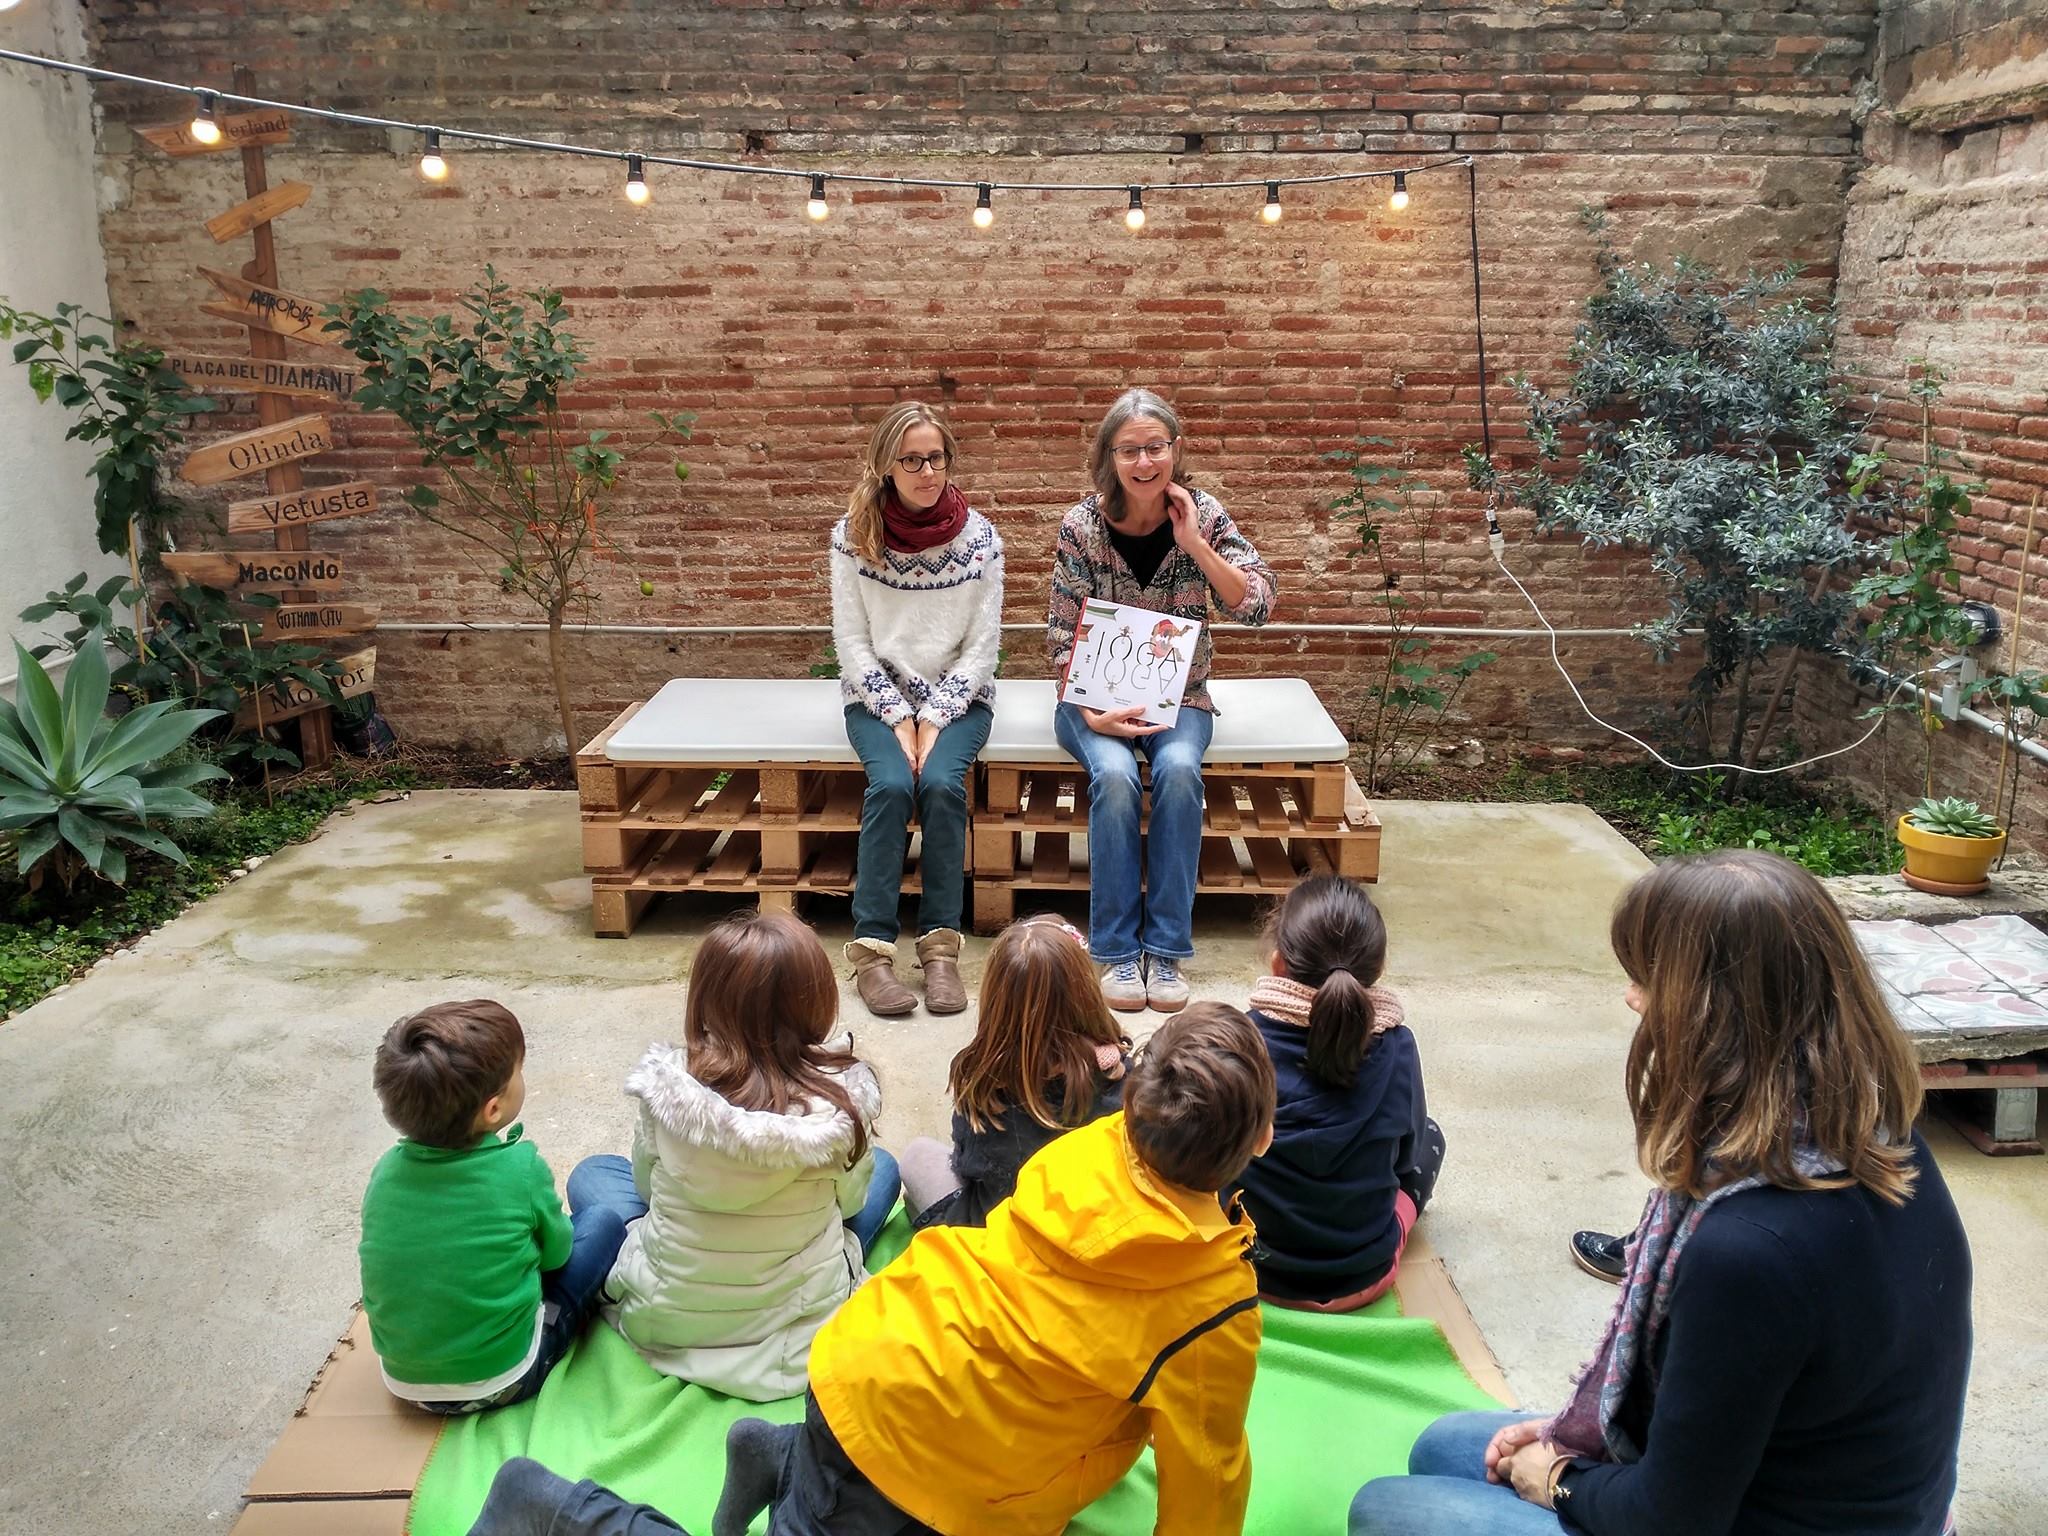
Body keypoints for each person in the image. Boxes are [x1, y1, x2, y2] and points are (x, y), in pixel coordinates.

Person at [1349, 850, 1973, 1536]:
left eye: (1650, 979)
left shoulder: (1750, 1251)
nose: (1633, 998)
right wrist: (1572, 1439)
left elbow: (1674, 1519)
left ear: (1713, 1014)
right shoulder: (1880, 1135)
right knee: (1442, 1446)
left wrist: (1560, 1480)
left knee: (1384, 1508)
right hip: (1848, 1500)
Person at [711, 1003, 1276, 1536]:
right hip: (911, 1437)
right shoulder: (1214, 1300)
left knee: (839, 1469)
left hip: (880, 1341)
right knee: (848, 1499)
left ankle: (783, 1454)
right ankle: (794, 1473)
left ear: (1131, 1105)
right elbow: (1209, 1473)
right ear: (1263, 1137)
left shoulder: (1094, 1143)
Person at [584, 908, 901, 1403]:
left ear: (707, 998)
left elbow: (646, 1191)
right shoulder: (840, 1105)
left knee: (594, 1175)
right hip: (794, 1340)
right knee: (884, 1171)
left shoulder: (669, 1089)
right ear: (815, 1000)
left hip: (670, 1321)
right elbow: (853, 1205)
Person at [1048, 387, 1275, 1014]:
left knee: (1177, 770)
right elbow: (1059, 634)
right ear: (1109, 457)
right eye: (1129, 451)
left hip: (1181, 700)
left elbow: (1256, 605)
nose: (1144, 463)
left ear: (1175, 449)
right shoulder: (1081, 526)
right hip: (1091, 700)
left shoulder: (1203, 511)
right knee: (1117, 775)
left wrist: (1195, 543)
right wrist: (1092, 713)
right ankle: (1118, 950)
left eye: (1156, 447)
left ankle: (1167, 948)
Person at [358, 1000, 640, 1414]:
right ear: (493, 1109)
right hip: (506, 1377)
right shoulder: (520, 1169)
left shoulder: (384, 1172)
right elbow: (557, 1255)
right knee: (601, 1223)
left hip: (406, 1383)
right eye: (517, 1072)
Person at [831, 400, 1003, 1017]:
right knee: (890, 785)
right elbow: (851, 641)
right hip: (876, 699)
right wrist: (897, 714)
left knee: (939, 784)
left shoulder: (980, 540)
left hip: (959, 699)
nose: (927, 471)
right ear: (886, 466)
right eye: (911, 460)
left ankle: (939, 949)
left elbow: (983, 648)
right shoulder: (853, 537)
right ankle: (873, 951)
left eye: (936, 458)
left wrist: (934, 716)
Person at [1232, 875, 1443, 1310]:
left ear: (1276, 963)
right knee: (1431, 1137)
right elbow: (1407, 1157)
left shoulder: (1239, 1041)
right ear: (1376, 972)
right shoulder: (1398, 1045)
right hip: (1365, 1273)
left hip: (1256, 1269)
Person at [898, 913, 1132, 1228]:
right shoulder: (1122, 1073)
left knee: (917, 1155)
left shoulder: (983, 1082)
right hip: (1092, 1232)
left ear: (996, 1000)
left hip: (1005, 1242)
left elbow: (967, 1163)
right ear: (1086, 991)